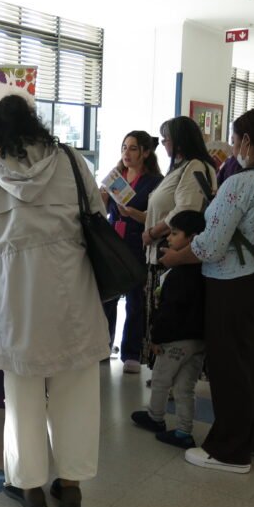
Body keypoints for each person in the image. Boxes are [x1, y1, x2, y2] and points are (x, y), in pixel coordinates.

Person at [0, 94, 108, 507]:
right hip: (71, 288)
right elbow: (96, 213)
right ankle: (72, 484)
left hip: (15, 296)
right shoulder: (72, 161)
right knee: (75, 386)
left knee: (22, 391)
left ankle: (29, 487)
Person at [160, 108, 254, 474]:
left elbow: (210, 246)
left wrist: (177, 256)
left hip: (234, 283)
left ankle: (230, 450)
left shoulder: (241, 183)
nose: (232, 147)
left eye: (235, 140)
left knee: (231, 365)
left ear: (247, 141)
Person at [141, 116, 217, 369]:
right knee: (159, 314)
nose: (163, 144)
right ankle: (165, 374)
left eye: (166, 139)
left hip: (174, 254)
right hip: (160, 252)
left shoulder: (195, 166)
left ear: (180, 141)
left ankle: (172, 376)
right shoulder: (181, 167)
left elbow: (185, 209)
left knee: (172, 317)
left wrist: (153, 232)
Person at [131, 210, 206, 449]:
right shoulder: (205, 271)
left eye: (175, 234)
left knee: (162, 379)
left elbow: (169, 310)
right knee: (186, 388)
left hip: (174, 340)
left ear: (193, 238)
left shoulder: (179, 274)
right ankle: (184, 431)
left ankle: (155, 417)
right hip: (198, 340)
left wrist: (157, 339)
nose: (170, 238)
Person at [99, 131, 163, 373]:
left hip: (138, 242)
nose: (126, 153)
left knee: (136, 299)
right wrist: (102, 197)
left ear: (146, 152)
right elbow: (102, 209)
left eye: (133, 148)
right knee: (109, 297)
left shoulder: (155, 181)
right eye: (124, 147)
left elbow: (157, 216)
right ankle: (104, 344)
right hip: (113, 241)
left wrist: (132, 214)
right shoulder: (116, 177)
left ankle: (131, 352)